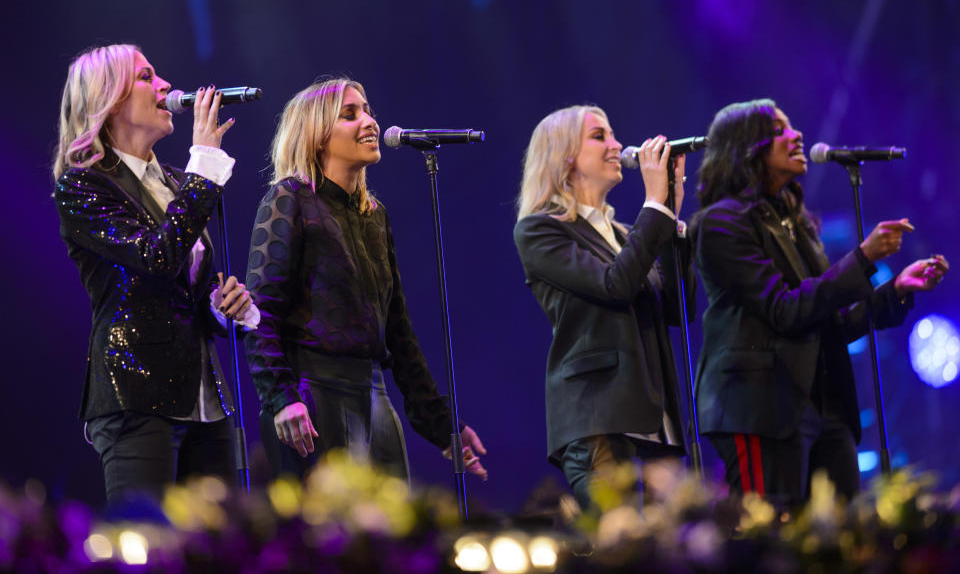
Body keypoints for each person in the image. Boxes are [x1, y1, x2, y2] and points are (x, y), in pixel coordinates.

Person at [692, 99, 950, 508]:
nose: (796, 135)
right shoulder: (721, 223)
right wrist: (862, 258)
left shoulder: (795, 220)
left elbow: (830, 322)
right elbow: (784, 310)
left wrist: (897, 290)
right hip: (763, 409)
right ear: (745, 147)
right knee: (771, 539)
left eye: (792, 127)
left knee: (843, 536)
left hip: (825, 405)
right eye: (778, 130)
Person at [244, 78, 487, 482]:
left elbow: (398, 331)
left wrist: (442, 424)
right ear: (317, 135)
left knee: (393, 530)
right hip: (313, 392)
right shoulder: (289, 199)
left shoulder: (374, 214)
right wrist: (281, 397)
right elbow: (259, 310)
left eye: (368, 110)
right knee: (332, 535)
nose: (370, 122)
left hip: (373, 395)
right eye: (350, 114)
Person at [54, 44, 259, 503]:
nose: (166, 85)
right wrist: (204, 161)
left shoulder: (174, 181)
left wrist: (227, 308)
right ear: (107, 100)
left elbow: (188, 287)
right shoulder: (84, 185)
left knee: (222, 550)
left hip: (206, 399)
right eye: (147, 77)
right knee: (153, 547)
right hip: (136, 398)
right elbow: (154, 258)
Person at [513, 104, 694, 511]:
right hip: (599, 419)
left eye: (613, 135)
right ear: (564, 157)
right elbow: (614, 286)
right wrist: (655, 206)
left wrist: (670, 216)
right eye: (600, 137)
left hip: (651, 421)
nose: (617, 146)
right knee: (622, 550)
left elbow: (678, 310)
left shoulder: (626, 234)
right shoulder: (541, 229)